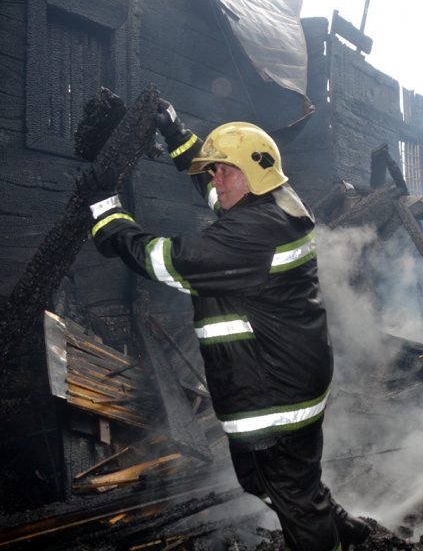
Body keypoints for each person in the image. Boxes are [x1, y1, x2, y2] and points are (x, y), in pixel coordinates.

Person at [78, 101, 369, 550]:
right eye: (213, 170)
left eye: (224, 171)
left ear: (253, 174)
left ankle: (327, 538)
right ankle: (347, 530)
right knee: (284, 484)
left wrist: (107, 214)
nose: (216, 181)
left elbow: (165, 260)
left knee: (288, 492)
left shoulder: (250, 232)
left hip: (273, 390)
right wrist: (179, 137)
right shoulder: (273, 202)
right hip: (287, 376)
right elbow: (217, 193)